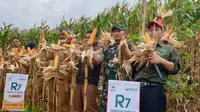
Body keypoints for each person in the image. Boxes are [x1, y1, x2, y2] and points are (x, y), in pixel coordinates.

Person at [124, 20, 181, 112]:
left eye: (157, 29)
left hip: (154, 90)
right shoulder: (140, 48)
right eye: (150, 30)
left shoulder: (169, 49)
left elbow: (175, 68)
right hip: (135, 90)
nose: (153, 32)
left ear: (163, 32)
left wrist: (160, 60)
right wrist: (125, 51)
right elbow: (130, 66)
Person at [101, 24, 132, 112]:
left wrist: (125, 48)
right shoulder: (107, 49)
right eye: (114, 32)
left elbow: (133, 59)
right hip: (109, 86)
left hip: (125, 86)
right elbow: (98, 59)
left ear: (125, 33)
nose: (116, 33)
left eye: (119, 31)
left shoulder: (131, 46)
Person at [73, 30, 102, 112]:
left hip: (90, 83)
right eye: (86, 37)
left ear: (96, 39)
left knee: (89, 108)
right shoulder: (81, 50)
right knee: (76, 108)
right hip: (78, 82)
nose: (87, 39)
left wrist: (90, 51)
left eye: (90, 37)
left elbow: (97, 62)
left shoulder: (99, 49)